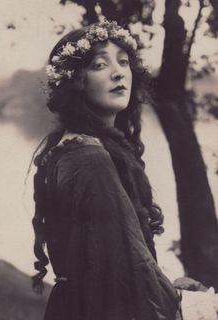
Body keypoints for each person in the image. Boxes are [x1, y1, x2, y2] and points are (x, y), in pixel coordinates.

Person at [31, 19, 182, 319]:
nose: (118, 72)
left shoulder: (83, 147)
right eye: (99, 65)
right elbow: (131, 273)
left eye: (124, 62)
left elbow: (120, 258)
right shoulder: (88, 158)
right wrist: (180, 302)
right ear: (75, 81)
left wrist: (168, 285)